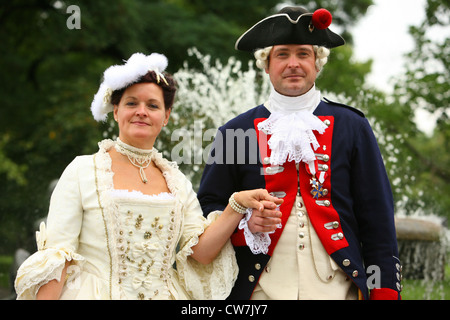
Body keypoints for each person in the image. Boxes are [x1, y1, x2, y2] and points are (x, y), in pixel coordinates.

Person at [14, 52, 280, 300]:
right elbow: (58, 259)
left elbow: (202, 253)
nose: (142, 111)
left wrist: (236, 204)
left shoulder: (176, 182)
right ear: (116, 111)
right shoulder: (82, 171)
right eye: (132, 103)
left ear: (165, 117)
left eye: (152, 105)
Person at [197, 6, 402, 300]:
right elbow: (208, 207)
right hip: (257, 290)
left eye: (303, 54)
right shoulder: (233, 132)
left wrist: (384, 293)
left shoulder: (352, 126)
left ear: (317, 63)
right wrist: (245, 224)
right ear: (265, 64)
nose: (293, 64)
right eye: (282, 54)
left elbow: (377, 220)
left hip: (338, 288)